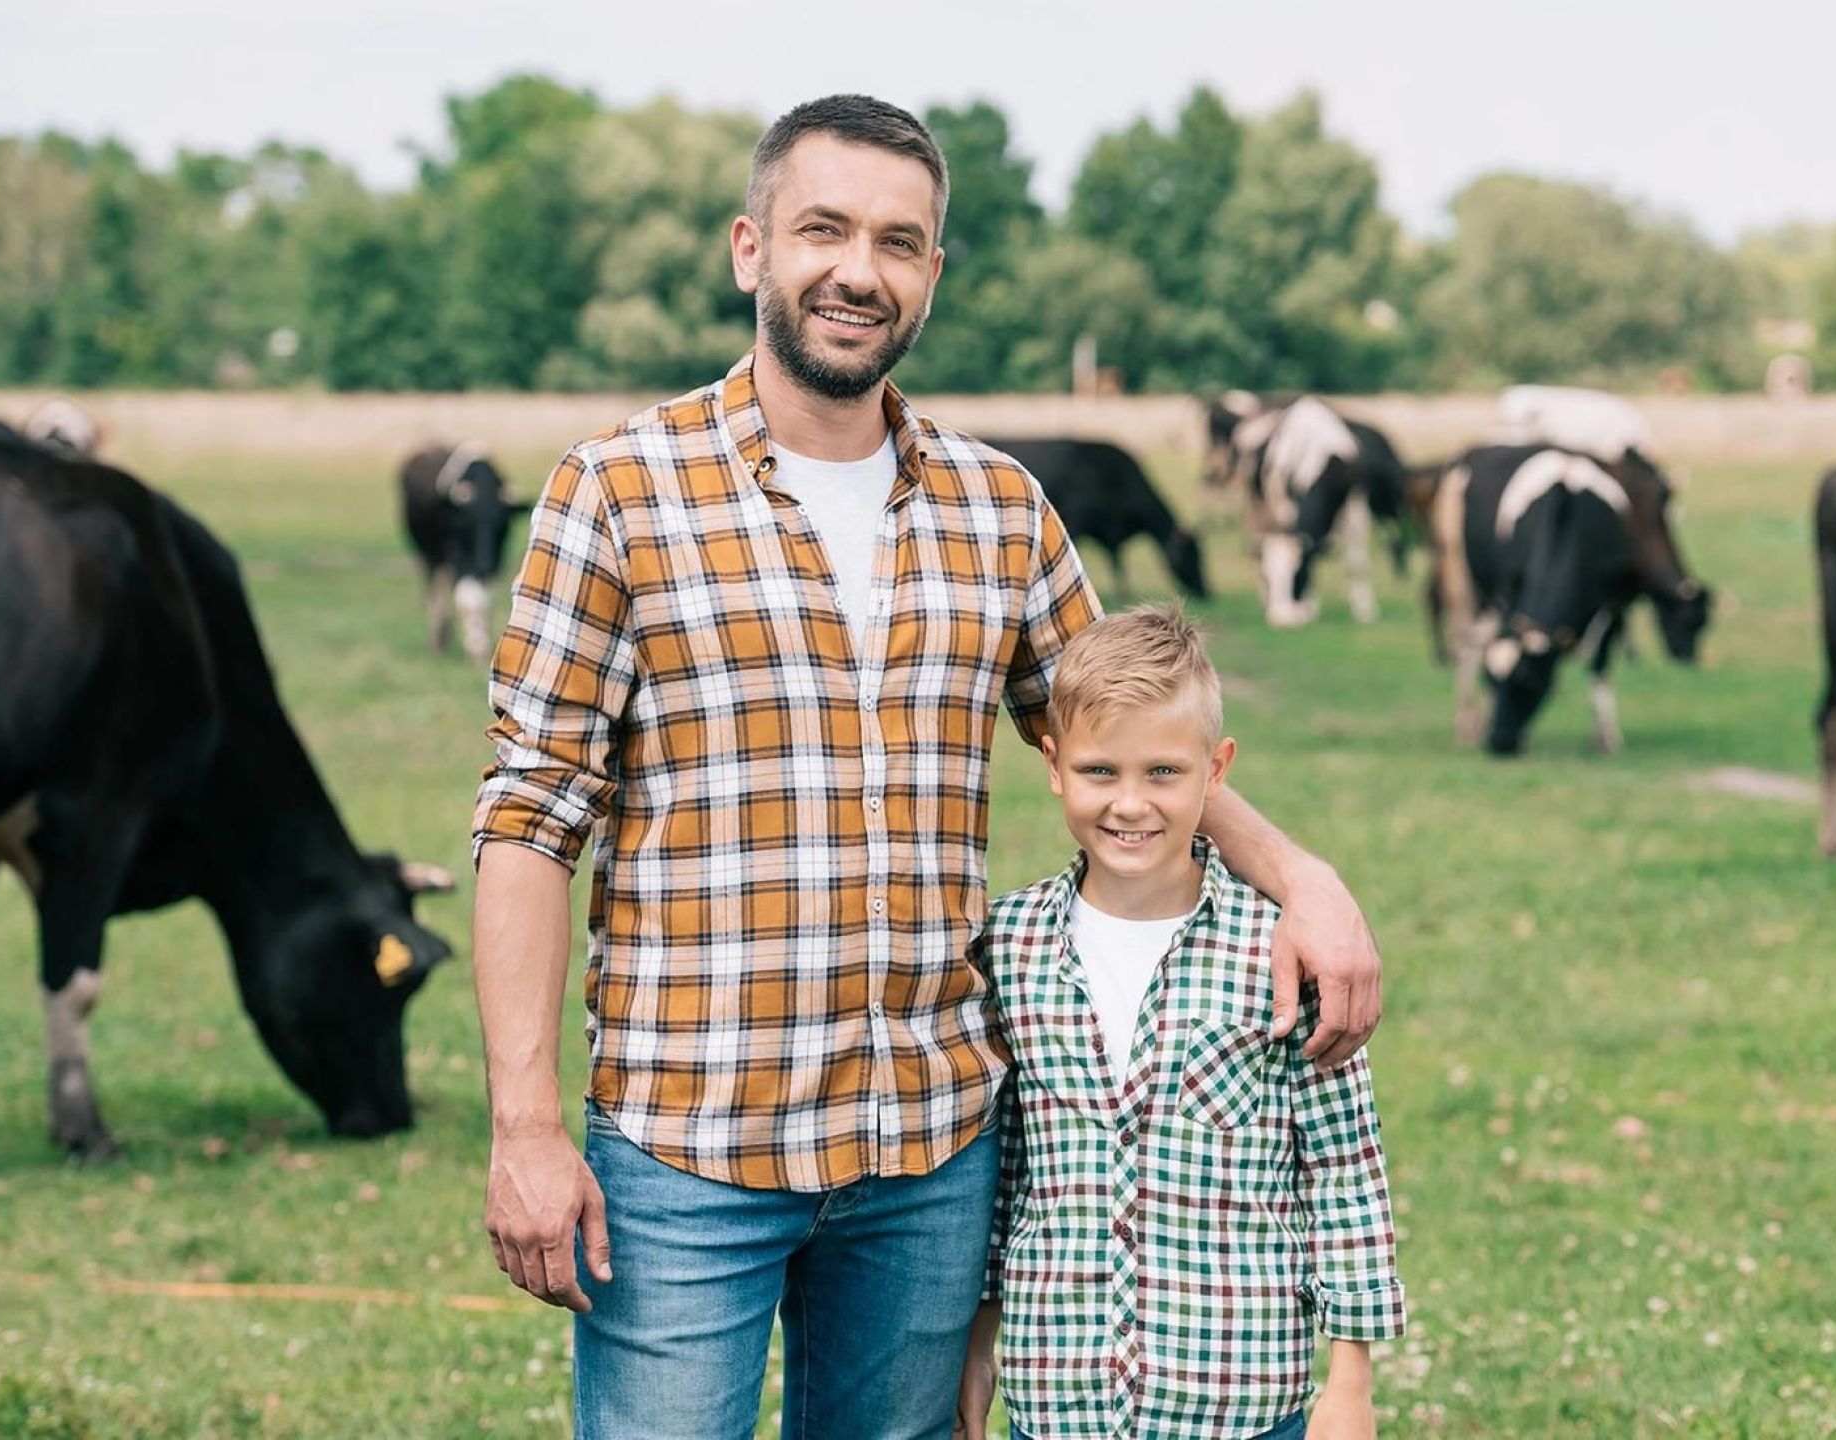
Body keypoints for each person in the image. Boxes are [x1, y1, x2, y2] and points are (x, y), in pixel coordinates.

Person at [467, 94, 1382, 1439]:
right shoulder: (617, 490)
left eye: (899, 242)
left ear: (932, 276)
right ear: (749, 249)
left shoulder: (996, 508)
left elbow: (1124, 738)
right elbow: (530, 821)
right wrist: (525, 1127)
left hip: (926, 1157)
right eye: (822, 229)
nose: (858, 270)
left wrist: (1301, 878)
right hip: (684, 1149)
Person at [958, 607, 1403, 1440]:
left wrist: (1349, 1386)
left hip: (1238, 1400)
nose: (1131, 804)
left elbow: (1344, 1172)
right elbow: (1005, 1176)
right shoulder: (1009, 947)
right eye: (1101, 771)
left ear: (1216, 770)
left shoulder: (1280, 950)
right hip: (1060, 1403)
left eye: (1164, 771)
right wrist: (978, 1350)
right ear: (1053, 766)